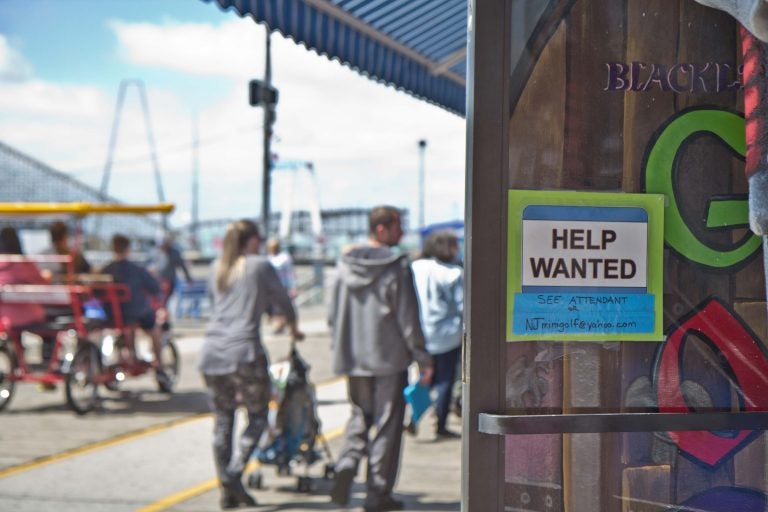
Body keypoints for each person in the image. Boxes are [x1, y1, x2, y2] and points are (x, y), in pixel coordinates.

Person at [328, 205, 433, 512]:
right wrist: (422, 358)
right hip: (389, 358)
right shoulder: (396, 266)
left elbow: (333, 315)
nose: (402, 232)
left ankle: (346, 463)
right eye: (398, 226)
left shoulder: (343, 265)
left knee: (360, 416)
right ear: (382, 228)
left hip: (353, 357)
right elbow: (408, 319)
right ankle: (378, 493)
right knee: (387, 425)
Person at [198, 219, 304, 510]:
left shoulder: (215, 268)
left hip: (211, 353)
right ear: (252, 240)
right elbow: (283, 300)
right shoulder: (259, 265)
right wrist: (293, 328)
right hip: (244, 352)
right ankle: (233, 473)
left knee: (223, 420)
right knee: (257, 417)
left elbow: (220, 304)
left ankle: (227, 491)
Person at [410, 230, 463, 439]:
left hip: (419, 333)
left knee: (422, 378)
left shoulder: (415, 267)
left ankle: (412, 418)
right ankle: (439, 425)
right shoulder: (453, 273)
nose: (457, 250)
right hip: (447, 334)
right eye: (454, 245)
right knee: (444, 380)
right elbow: (462, 306)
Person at [101, 234, 167, 386]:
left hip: (111, 316)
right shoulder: (137, 270)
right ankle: (160, 366)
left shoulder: (105, 270)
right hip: (135, 314)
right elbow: (154, 288)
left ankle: (126, 355)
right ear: (128, 249)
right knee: (154, 328)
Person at [150, 233, 192, 306]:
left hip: (169, 281)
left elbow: (182, 266)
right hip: (157, 281)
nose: (162, 246)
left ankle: (164, 312)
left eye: (164, 244)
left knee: (165, 301)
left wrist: (188, 279)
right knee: (157, 301)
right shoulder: (156, 252)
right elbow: (151, 265)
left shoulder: (174, 253)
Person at [265, 238, 297, 333]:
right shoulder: (268, 258)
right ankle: (278, 325)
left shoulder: (285, 258)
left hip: (284, 287)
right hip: (272, 287)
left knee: (283, 308)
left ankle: (282, 325)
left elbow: (290, 274)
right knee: (274, 308)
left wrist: (293, 287)